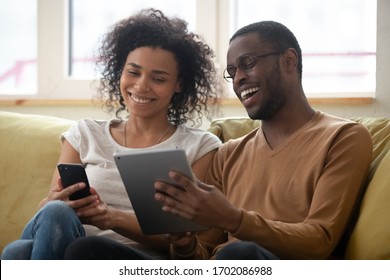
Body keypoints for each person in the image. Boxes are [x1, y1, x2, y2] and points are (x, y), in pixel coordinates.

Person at [63, 20, 373, 260]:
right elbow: (202, 255)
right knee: (86, 250)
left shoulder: (343, 136)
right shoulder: (228, 154)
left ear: (289, 61)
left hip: (270, 265)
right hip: (222, 267)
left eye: (248, 63)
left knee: (239, 253)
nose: (238, 78)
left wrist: (232, 219)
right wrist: (182, 240)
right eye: (232, 71)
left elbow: (320, 240)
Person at [1, 8, 223, 260]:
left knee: (17, 253)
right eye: (133, 72)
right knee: (51, 217)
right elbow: (49, 213)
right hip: (66, 242)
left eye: (158, 78)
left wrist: (110, 218)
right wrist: (54, 201)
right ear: (120, 71)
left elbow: (187, 241)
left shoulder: (200, 146)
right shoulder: (85, 134)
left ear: (179, 84)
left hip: (134, 259)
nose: (141, 86)